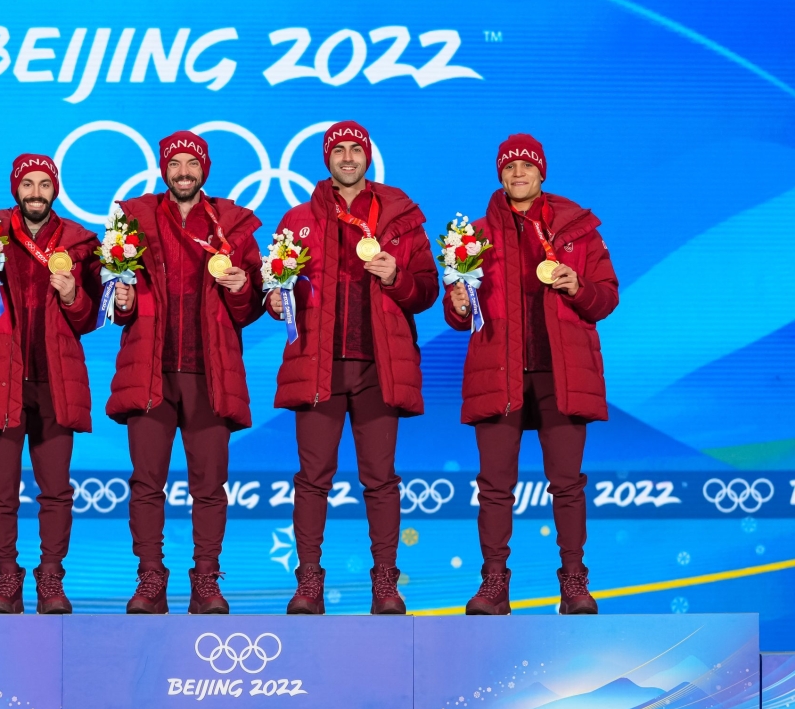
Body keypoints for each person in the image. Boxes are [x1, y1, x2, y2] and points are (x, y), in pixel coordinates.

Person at [267, 121, 439, 614]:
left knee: (381, 479)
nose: (347, 158)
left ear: (367, 157)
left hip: (378, 367)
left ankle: (386, 584)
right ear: (327, 159)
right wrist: (278, 302)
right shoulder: (298, 219)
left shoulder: (401, 218)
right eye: (338, 150)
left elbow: (426, 290)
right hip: (317, 365)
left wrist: (398, 277)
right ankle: (308, 585)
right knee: (312, 478)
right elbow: (282, 290)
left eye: (354, 150)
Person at [444, 133, 619, 615]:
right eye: (509, 166)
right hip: (497, 372)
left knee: (567, 483)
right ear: (499, 175)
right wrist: (457, 304)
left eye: (527, 166)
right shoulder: (472, 237)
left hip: (561, 373)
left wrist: (578, 286)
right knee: (494, 486)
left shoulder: (578, 231)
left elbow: (607, 297)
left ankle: (574, 583)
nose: (518, 173)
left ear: (542, 173)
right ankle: (494, 584)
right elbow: (459, 314)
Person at [107, 130, 264, 614]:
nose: (182, 172)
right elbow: (115, 289)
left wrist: (240, 287)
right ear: (163, 170)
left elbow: (253, 300)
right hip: (150, 369)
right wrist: (123, 299)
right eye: (174, 164)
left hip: (209, 372)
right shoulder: (132, 219)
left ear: (204, 171)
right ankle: (150, 578)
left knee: (210, 485)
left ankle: (206, 580)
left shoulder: (232, 225)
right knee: (146, 482)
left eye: (190, 165)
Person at [0, 154, 100, 614]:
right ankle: (5, 579)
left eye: (44, 184)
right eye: (28, 184)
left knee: (56, 489)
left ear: (55, 190)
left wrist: (73, 295)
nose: (36, 192)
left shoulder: (79, 241)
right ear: (16, 189)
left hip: (55, 382)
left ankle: (51, 578)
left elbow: (91, 317)